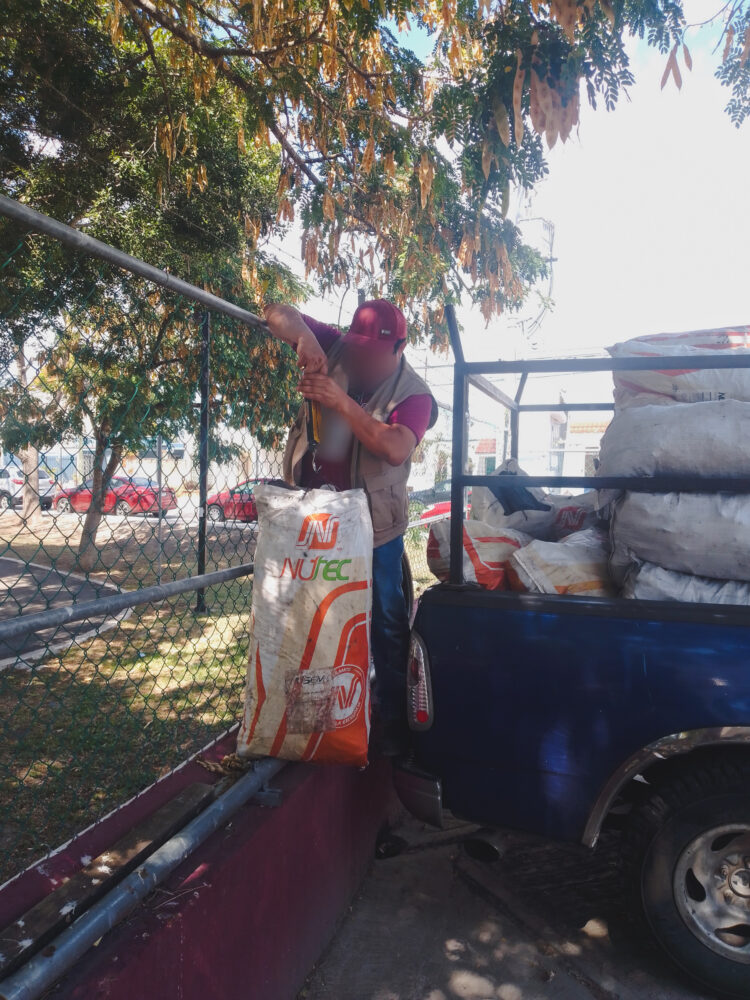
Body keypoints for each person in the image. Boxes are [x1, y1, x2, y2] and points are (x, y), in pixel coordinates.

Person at [264, 299, 438, 755]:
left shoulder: (413, 395)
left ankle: (396, 733)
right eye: (355, 348)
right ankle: (313, 720)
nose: (358, 359)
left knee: (384, 621)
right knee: (309, 618)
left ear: (399, 349)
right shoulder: (338, 345)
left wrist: (336, 399)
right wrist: (302, 335)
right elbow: (275, 310)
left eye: (371, 353)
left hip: (375, 529)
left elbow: (395, 447)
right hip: (317, 520)